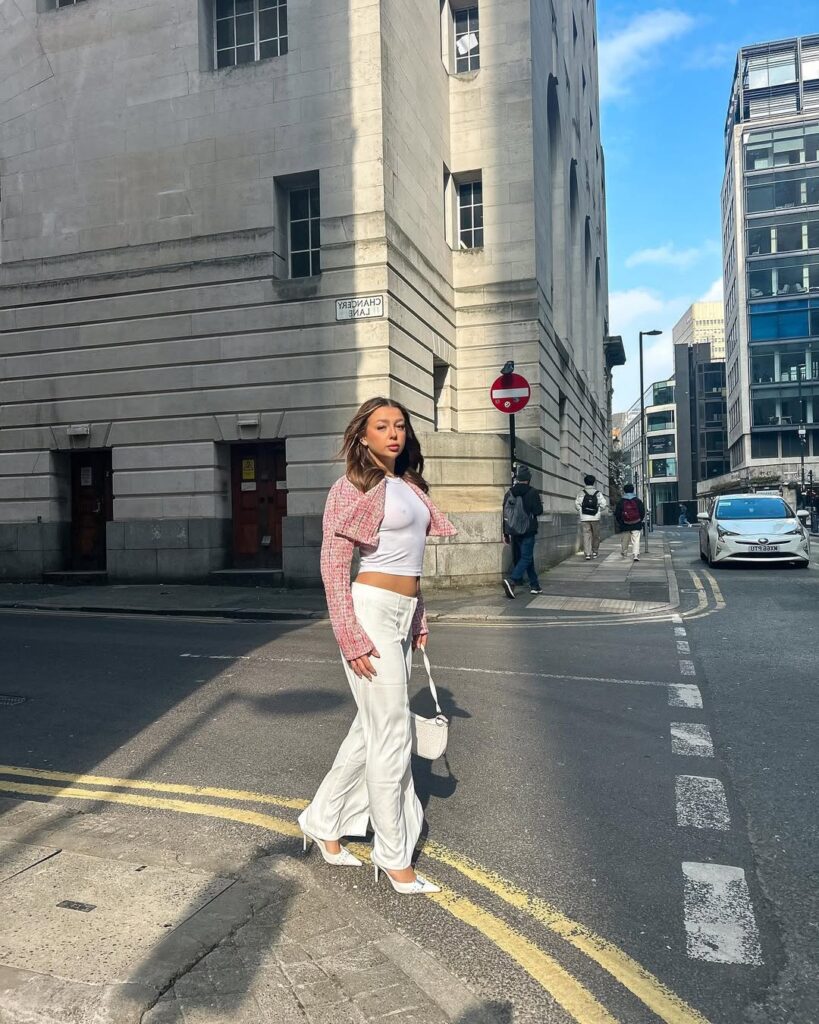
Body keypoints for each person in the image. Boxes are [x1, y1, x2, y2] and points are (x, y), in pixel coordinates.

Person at [298, 397, 457, 896]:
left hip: (402, 612)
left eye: (400, 426)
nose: (393, 433)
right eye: (382, 426)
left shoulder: (408, 484)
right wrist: (349, 635)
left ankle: (323, 821)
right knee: (391, 736)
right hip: (369, 611)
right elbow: (333, 565)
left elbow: (411, 559)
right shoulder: (351, 486)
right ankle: (393, 856)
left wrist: (419, 615)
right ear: (362, 436)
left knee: (370, 733)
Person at [502, 465, 544, 598]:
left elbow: (505, 514)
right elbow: (538, 511)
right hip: (528, 530)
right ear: (529, 479)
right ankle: (512, 580)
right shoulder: (532, 492)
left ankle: (535, 585)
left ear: (518, 478)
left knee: (527, 557)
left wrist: (505, 533)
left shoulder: (509, 493)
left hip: (514, 530)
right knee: (526, 557)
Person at [575, 474, 605, 560]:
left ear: (585, 482)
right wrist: (598, 510)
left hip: (584, 518)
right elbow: (603, 505)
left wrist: (581, 510)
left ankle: (587, 553)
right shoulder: (598, 493)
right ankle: (595, 552)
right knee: (596, 535)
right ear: (594, 482)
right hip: (595, 517)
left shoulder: (581, 493)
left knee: (586, 535)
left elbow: (576, 505)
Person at [614, 484, 645, 561]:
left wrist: (621, 522)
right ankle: (635, 554)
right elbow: (642, 512)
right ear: (633, 490)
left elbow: (617, 514)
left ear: (624, 491)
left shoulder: (621, 501)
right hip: (636, 523)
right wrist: (639, 519)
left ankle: (624, 552)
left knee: (625, 539)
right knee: (636, 540)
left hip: (625, 524)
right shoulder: (637, 501)